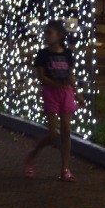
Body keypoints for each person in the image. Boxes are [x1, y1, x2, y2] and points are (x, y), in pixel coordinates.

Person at [23, 19, 77, 182]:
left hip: (66, 93)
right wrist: (57, 85)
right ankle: (32, 155)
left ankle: (65, 169)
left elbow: (69, 75)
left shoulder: (67, 53)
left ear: (59, 35)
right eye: (45, 32)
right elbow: (42, 77)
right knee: (53, 133)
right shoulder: (43, 54)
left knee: (66, 131)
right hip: (51, 93)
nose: (46, 36)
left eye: (49, 33)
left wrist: (76, 91)